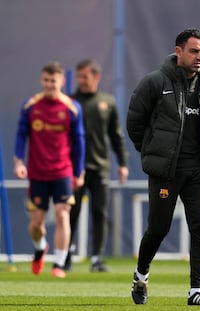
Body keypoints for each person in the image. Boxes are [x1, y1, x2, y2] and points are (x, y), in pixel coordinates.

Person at [126, 28, 200, 306]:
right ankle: (141, 276)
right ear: (178, 51)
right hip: (166, 171)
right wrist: (154, 152)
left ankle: (196, 291)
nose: (199, 57)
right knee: (158, 228)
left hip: (199, 170)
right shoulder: (154, 82)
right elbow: (135, 124)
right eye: (194, 51)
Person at [14, 61, 85, 278]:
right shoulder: (30, 105)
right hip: (36, 172)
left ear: (61, 81)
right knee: (36, 224)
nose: (49, 85)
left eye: (53, 81)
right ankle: (40, 247)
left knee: (63, 214)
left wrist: (79, 171)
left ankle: (59, 264)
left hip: (62, 171)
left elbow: (79, 140)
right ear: (41, 80)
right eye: (46, 80)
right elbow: (20, 135)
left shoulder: (72, 107)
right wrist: (19, 162)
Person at [63, 59, 129, 272]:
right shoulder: (69, 101)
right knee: (71, 212)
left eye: (85, 76)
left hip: (100, 166)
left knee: (99, 213)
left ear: (96, 76)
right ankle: (66, 256)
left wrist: (122, 163)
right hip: (74, 169)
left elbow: (116, 135)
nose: (81, 80)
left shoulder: (107, 102)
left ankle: (96, 259)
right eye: (79, 76)